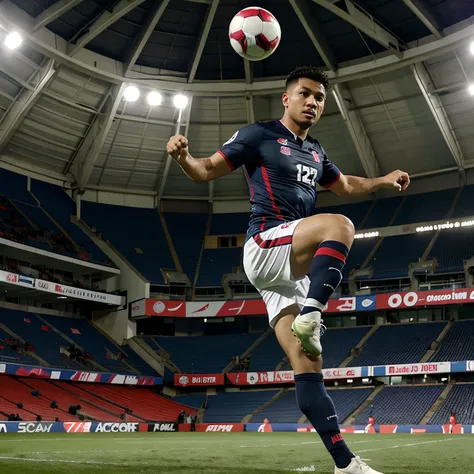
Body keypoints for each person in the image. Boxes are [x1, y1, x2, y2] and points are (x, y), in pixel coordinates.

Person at [166, 65, 410, 474]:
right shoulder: (258, 134)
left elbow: (346, 185)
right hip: (265, 243)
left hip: (288, 271)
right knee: (341, 225)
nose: (313, 102)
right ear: (287, 97)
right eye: (305, 94)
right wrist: (182, 158)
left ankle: (345, 465)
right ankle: (313, 313)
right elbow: (205, 169)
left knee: (309, 367)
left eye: (319, 97)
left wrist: (382, 180)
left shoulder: (315, 151)